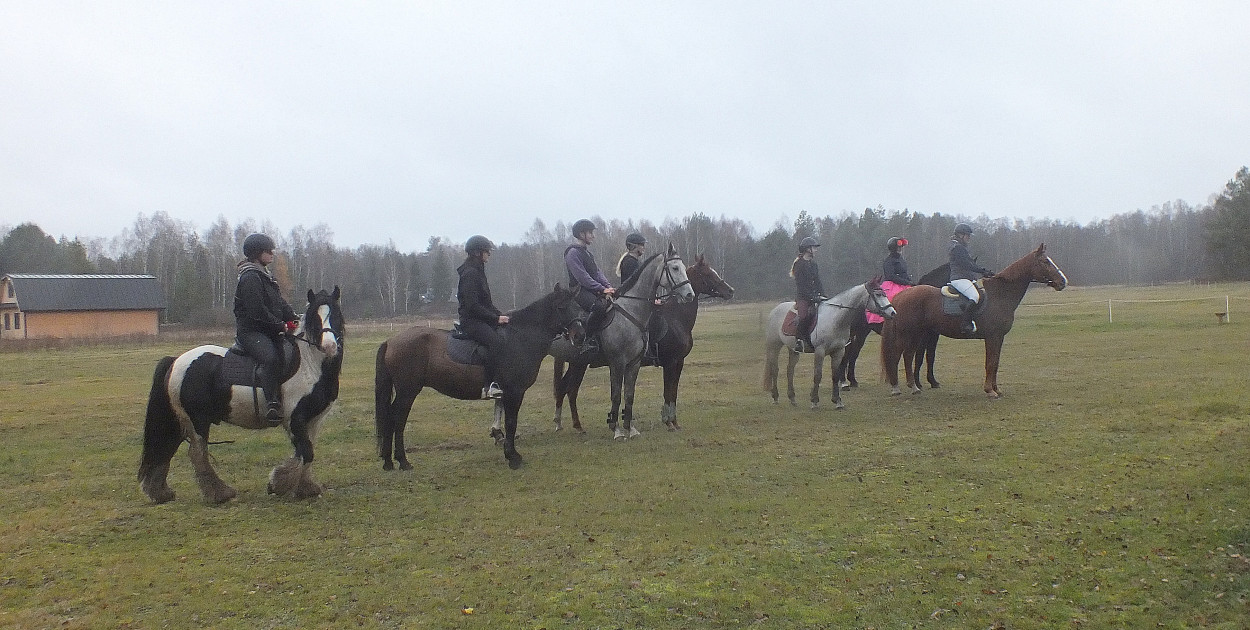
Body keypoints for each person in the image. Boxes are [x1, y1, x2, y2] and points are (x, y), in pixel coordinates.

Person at [233, 233, 298, 422]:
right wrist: (280, 325)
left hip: (268, 330)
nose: (272, 253)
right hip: (251, 332)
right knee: (271, 358)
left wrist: (293, 317)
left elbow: (279, 303)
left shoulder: (265, 276)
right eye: (268, 250)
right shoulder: (250, 278)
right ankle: (272, 404)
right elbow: (257, 311)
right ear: (257, 253)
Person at [457, 235, 510, 399]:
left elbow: (486, 303)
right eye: (487, 251)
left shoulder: (478, 271)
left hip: (480, 318)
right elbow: (473, 306)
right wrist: (495, 319)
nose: (489, 254)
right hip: (472, 322)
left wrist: (500, 314)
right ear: (477, 253)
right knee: (495, 342)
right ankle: (489, 386)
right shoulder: (471, 274)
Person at [565, 219, 615, 352]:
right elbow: (582, 277)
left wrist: (608, 287)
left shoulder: (587, 253)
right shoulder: (573, 253)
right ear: (582, 234)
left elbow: (597, 273)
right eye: (591, 233)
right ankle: (586, 340)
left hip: (591, 289)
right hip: (579, 290)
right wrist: (602, 289)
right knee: (598, 307)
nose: (593, 236)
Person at [615, 232, 661, 363]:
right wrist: (652, 300)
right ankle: (650, 350)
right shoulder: (630, 262)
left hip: (636, 299)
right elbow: (637, 286)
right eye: (642, 245)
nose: (643, 247)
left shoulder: (635, 261)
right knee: (653, 319)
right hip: (632, 301)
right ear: (634, 246)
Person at [948, 223, 994, 334]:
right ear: (960, 235)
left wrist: (984, 271)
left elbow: (971, 264)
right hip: (959, 278)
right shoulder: (957, 248)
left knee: (982, 293)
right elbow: (967, 265)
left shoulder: (962, 247)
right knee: (974, 296)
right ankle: (965, 324)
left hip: (966, 278)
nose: (969, 237)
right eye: (967, 235)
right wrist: (982, 271)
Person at [868, 236, 915, 326]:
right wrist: (906, 282)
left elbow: (904, 273)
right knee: (891, 299)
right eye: (899, 247)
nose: (900, 249)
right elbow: (891, 276)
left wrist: (910, 282)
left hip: (904, 284)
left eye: (901, 247)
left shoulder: (901, 259)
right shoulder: (888, 261)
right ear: (894, 248)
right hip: (892, 285)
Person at [789, 236, 825, 352]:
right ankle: (799, 340)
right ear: (807, 249)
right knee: (804, 316)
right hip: (803, 297)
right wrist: (811, 297)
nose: (816, 250)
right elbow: (801, 285)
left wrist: (823, 295)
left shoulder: (813, 264)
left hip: (814, 296)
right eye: (814, 247)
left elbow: (818, 281)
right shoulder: (799, 264)